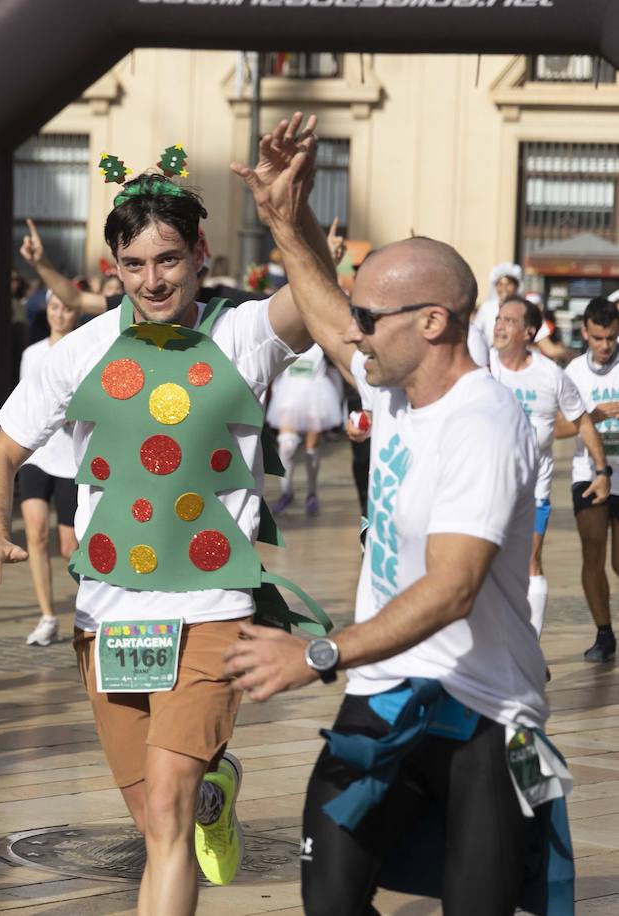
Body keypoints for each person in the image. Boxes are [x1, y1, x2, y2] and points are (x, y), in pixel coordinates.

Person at [0, 115, 340, 912]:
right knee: (151, 816)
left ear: (200, 255)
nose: (154, 279)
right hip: (108, 619)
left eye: (169, 259)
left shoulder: (240, 334)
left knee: (164, 814)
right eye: (135, 264)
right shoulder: (80, 351)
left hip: (210, 608)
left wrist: (288, 210)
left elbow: (318, 297)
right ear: (115, 267)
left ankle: (198, 793)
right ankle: (217, 789)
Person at [224, 126, 565, 915]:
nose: (355, 331)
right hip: (382, 697)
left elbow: (451, 590)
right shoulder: (395, 387)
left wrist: (318, 652)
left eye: (372, 317)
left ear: (435, 323)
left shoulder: (481, 425)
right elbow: (321, 303)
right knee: (331, 897)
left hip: (485, 717)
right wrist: (284, 219)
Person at [491, 295, 606, 635]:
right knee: (484, 562)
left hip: (532, 491)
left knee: (531, 559)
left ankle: (530, 646)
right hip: (485, 486)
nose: (499, 325)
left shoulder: (550, 375)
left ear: (529, 332)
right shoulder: (482, 368)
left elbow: (582, 422)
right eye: (498, 319)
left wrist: (602, 472)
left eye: (509, 321)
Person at [17, 290, 82, 647]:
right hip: (36, 454)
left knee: (71, 547)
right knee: (35, 533)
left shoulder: (84, 349)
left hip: (71, 460)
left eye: (66, 307)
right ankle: (47, 616)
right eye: (54, 307)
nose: (60, 314)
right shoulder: (31, 354)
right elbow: (26, 400)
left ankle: (91, 607)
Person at [563, 295, 619, 662]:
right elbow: (556, 428)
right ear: (585, 333)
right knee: (592, 553)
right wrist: (590, 418)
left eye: (611, 338)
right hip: (588, 473)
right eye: (598, 338)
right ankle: (604, 633)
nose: (604, 346)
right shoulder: (572, 373)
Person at [266, 343, 344, 516]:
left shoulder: (321, 337)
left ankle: (311, 493)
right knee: (286, 446)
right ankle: (287, 492)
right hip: (288, 392)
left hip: (315, 394)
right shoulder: (289, 334)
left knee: (312, 449)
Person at [471, 261, 522, 340]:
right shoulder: (487, 308)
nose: (504, 288)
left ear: (516, 286)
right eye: (500, 284)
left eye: (508, 284)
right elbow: (476, 332)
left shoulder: (522, 308)